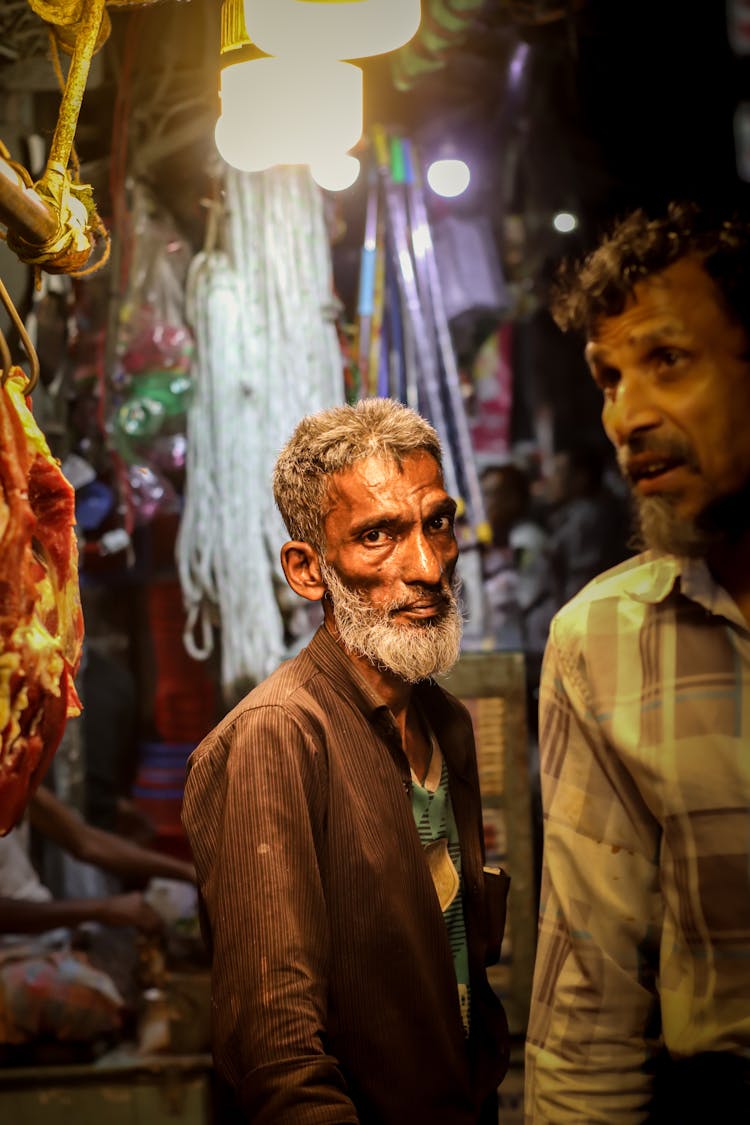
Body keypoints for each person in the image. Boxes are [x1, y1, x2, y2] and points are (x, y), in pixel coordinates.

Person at [182, 398, 510, 1125]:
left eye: (437, 523)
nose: (425, 566)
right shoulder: (278, 736)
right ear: (308, 570)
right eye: (377, 536)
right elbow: (279, 1054)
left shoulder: (445, 722)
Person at [525, 201, 750, 1124]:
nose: (627, 415)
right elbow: (592, 1000)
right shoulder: (603, 640)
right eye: (608, 378)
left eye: (667, 360)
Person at [0, 784, 195, 1045]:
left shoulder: (14, 771)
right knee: (90, 998)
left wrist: (188, 871)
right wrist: (102, 909)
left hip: (43, 946)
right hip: (10, 959)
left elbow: (86, 842)